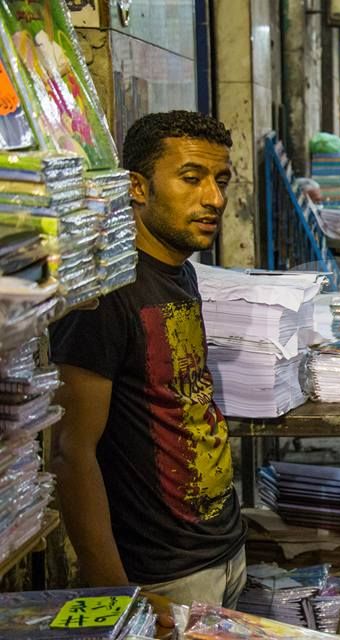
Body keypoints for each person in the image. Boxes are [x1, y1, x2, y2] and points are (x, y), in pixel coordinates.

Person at [49, 111, 245, 626]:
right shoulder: (105, 294)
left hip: (220, 548)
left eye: (221, 180)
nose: (213, 198)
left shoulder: (179, 271)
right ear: (137, 187)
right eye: (191, 178)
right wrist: (117, 595)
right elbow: (71, 452)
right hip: (161, 574)